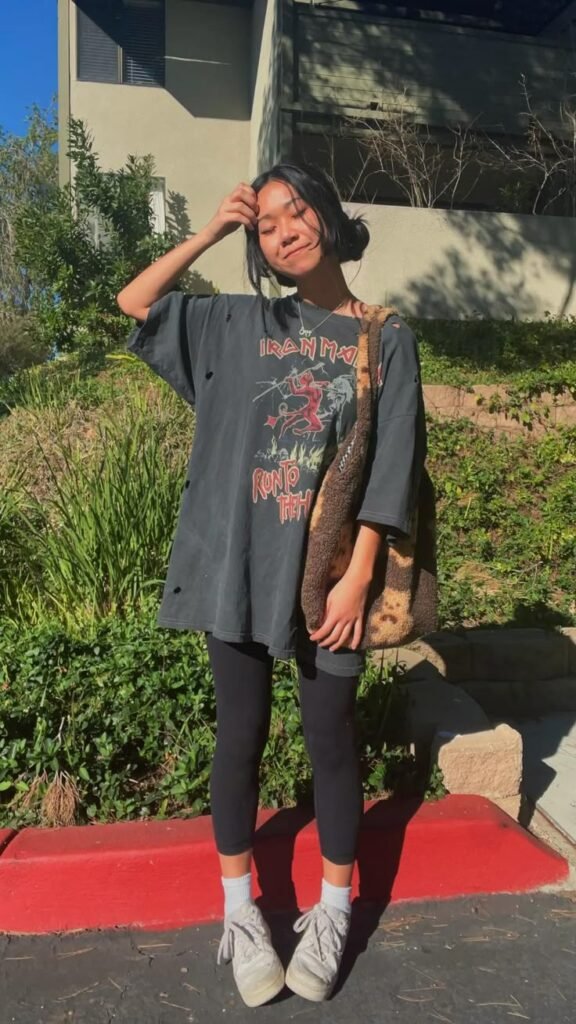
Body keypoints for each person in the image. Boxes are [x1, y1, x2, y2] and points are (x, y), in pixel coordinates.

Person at [117, 164, 427, 1007]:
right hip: (242, 569)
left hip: (330, 580)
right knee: (240, 738)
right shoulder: (237, 322)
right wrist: (211, 230)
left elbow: (393, 466)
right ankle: (241, 913)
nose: (285, 231)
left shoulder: (383, 337)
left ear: (326, 214)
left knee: (332, 739)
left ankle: (332, 912)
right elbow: (135, 302)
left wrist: (358, 578)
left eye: (297, 213)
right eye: (266, 225)